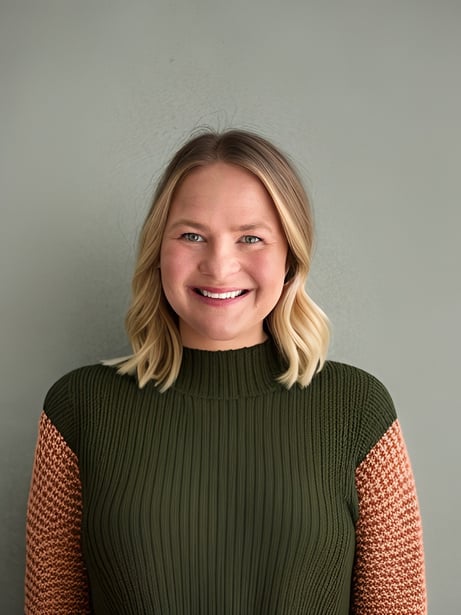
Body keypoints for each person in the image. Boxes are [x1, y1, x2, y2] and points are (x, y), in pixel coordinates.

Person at [25, 129, 427, 614]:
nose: (219, 265)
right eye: (192, 235)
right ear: (158, 249)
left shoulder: (358, 410)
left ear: (289, 258)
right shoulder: (78, 409)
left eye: (251, 238)